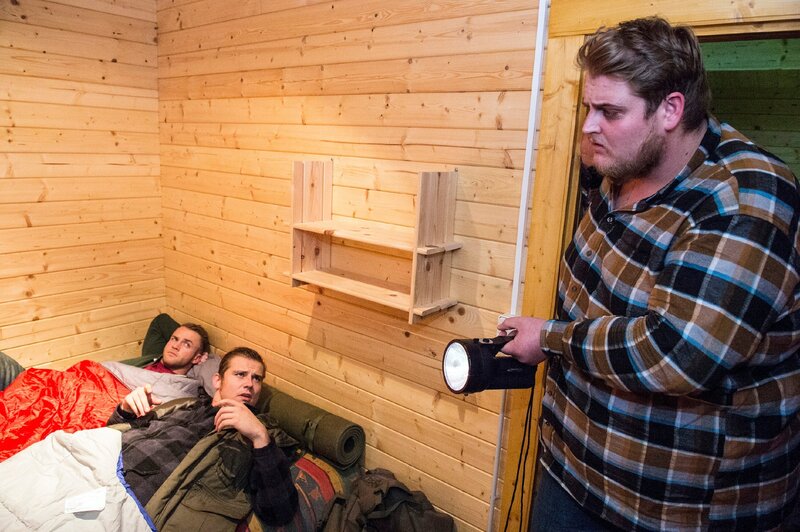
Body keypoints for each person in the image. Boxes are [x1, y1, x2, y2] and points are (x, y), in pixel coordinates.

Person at [499, 16, 800, 531]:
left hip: (673, 508)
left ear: (671, 110)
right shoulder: (621, 163)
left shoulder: (745, 199)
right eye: (588, 108)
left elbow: (674, 353)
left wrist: (549, 338)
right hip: (571, 467)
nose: (589, 126)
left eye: (610, 111)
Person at [109, 346, 298, 528]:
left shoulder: (263, 435)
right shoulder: (186, 404)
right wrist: (125, 411)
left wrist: (260, 438)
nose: (249, 384)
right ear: (217, 380)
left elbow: (280, 512)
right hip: (104, 466)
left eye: (257, 378)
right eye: (240, 374)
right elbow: (116, 431)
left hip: (130, 509)